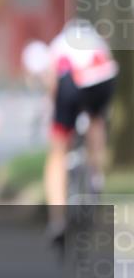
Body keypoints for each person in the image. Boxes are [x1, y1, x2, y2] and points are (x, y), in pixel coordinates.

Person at [30, 20, 117, 245]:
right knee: (96, 122)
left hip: (70, 82)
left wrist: (50, 108)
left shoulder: (59, 43)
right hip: (102, 80)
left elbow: (52, 81)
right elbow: (109, 66)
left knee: (57, 152)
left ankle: (57, 220)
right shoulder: (98, 41)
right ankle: (96, 174)